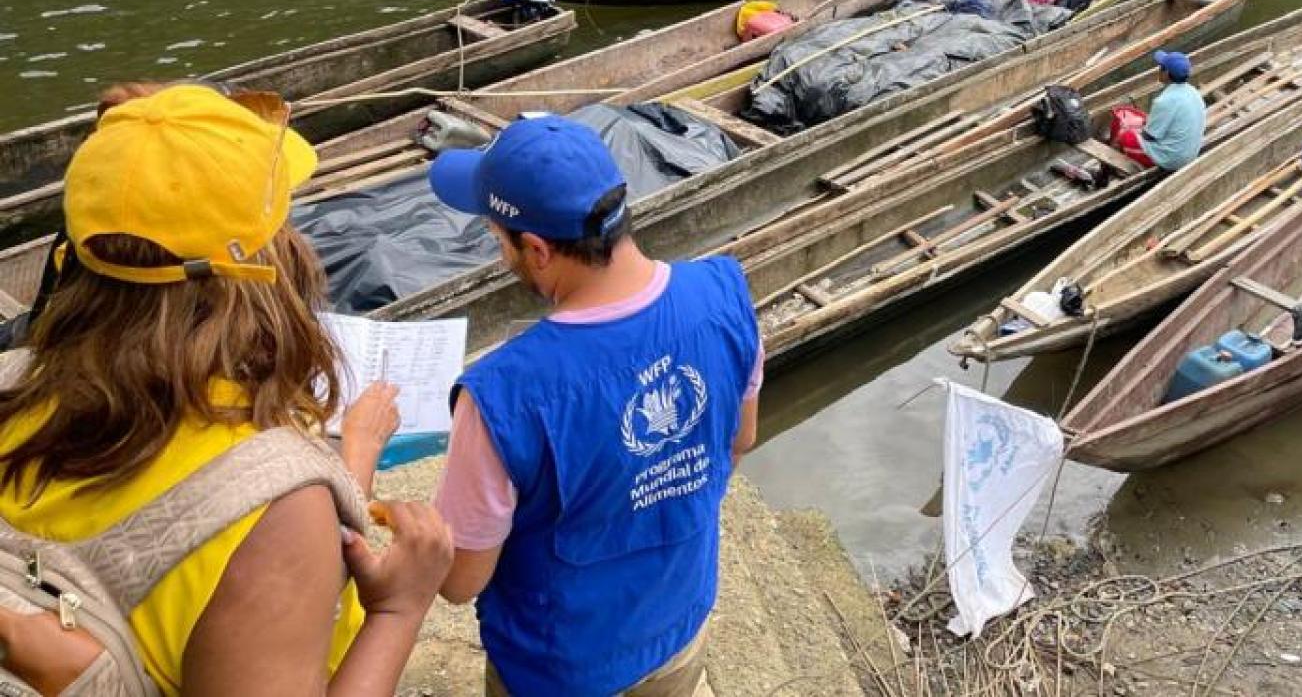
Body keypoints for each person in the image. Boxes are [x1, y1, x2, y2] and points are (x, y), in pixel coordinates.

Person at [0, 83, 454, 695]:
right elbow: (244, 508)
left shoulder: (16, 382)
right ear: (258, 277)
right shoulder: (280, 517)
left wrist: (352, 463)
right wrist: (399, 611)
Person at [426, 116, 761, 697]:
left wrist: (415, 534)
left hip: (560, 670)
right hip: (679, 629)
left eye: (496, 237)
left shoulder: (502, 395)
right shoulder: (725, 294)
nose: (497, 249)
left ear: (535, 250)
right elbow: (740, 440)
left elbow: (459, 580)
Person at [1114, 51, 1207, 171]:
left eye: (1161, 68)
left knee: (1126, 136)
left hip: (1174, 160)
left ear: (1167, 73)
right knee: (1143, 123)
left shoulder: (1164, 101)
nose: (1158, 70)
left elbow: (1149, 137)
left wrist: (1132, 129)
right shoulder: (1193, 92)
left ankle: (1134, 165)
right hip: (1191, 154)